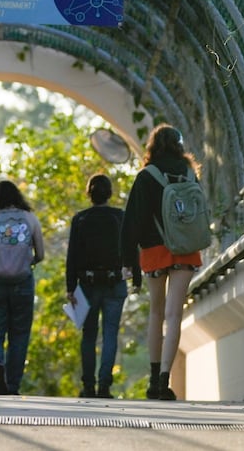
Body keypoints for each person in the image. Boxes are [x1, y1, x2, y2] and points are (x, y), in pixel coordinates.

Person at [120, 123, 203, 401]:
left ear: (152, 146)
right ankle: (166, 379)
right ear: (178, 146)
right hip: (186, 249)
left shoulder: (147, 176)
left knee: (156, 313)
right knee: (174, 314)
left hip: (154, 249)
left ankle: (153, 380)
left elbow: (132, 221)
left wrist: (128, 260)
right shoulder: (190, 173)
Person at [66, 172, 133, 398]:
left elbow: (72, 256)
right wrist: (133, 273)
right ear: (109, 194)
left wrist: (70, 287)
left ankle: (88, 386)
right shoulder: (120, 217)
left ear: (89, 194)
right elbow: (130, 248)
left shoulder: (81, 219)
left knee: (88, 335)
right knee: (111, 333)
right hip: (115, 283)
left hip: (87, 283)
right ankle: (105, 385)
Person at [0, 179, 44, 396]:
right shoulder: (30, 219)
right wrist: (26, 264)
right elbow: (40, 255)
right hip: (22, 284)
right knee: (20, 335)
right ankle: (12, 386)